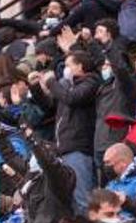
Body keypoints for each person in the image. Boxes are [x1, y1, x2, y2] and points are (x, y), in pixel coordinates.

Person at [39, 49, 100, 212]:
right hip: (65, 148)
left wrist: (52, 82)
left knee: (82, 200)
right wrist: (36, 87)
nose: (65, 69)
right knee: (71, 200)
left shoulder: (90, 83)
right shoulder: (70, 87)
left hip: (78, 147)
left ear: (80, 66)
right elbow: (49, 106)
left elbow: (71, 99)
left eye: (68, 65)